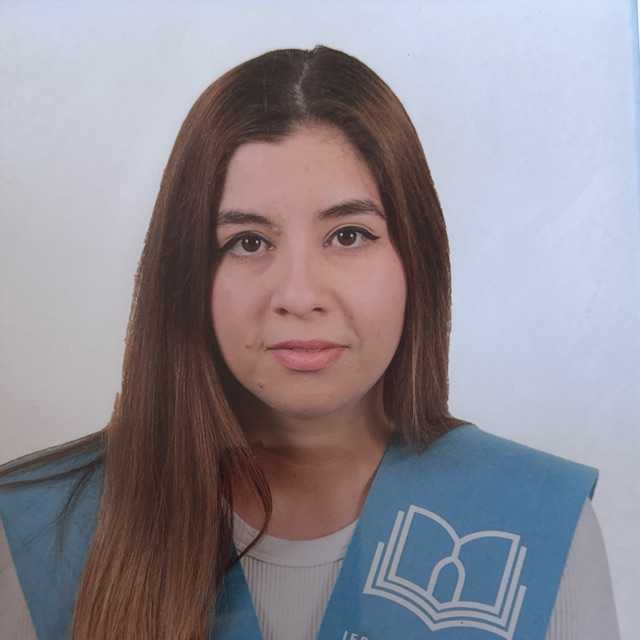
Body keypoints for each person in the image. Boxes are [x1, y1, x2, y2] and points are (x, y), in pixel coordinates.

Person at [0, 45, 620, 640]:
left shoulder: (538, 521)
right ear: (185, 274)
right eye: (248, 242)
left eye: (348, 235)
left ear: (417, 258)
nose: (298, 295)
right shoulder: (36, 531)